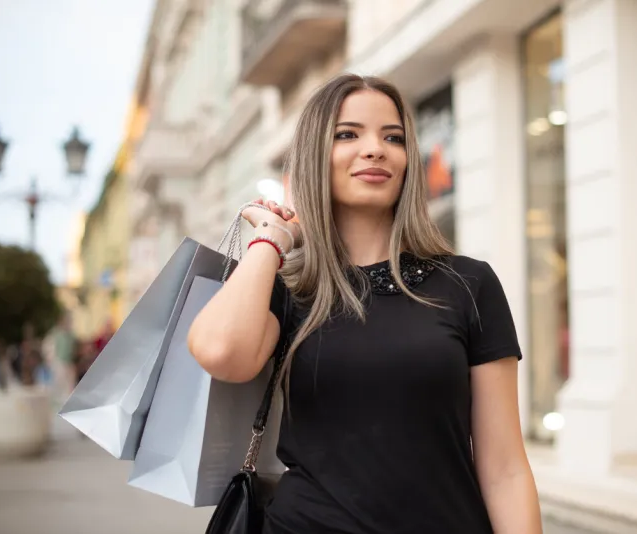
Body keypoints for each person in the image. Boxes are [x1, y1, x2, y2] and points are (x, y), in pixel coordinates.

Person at [188, 74, 542, 534]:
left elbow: (506, 469)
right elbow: (220, 353)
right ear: (314, 158)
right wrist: (275, 238)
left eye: (392, 137)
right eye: (347, 134)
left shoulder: (468, 284)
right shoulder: (288, 288)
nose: (375, 149)